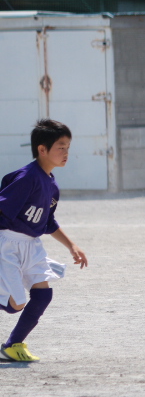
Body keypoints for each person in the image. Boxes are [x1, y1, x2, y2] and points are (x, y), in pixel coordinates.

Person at [0, 119, 88, 362]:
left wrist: (72, 245)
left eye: (68, 147)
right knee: (15, 304)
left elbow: (48, 222)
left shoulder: (51, 183)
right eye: (61, 147)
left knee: (43, 295)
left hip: (32, 245)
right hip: (8, 244)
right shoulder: (27, 178)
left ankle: (12, 345)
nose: (66, 153)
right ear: (42, 149)